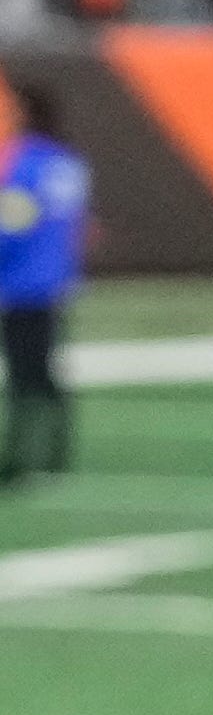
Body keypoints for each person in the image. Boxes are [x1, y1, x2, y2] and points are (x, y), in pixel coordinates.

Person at [0, 56, 85, 477]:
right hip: (52, 280)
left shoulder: (22, 165)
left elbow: (11, 225)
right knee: (41, 371)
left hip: (20, 284)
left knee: (25, 375)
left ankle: (25, 457)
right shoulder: (65, 162)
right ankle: (53, 453)